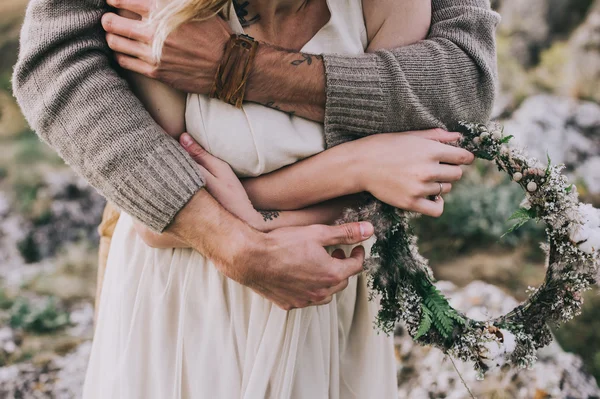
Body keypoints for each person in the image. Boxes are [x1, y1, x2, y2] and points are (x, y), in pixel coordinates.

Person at [13, 0, 499, 397]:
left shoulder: (391, 6)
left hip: (326, 295)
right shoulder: (165, 14)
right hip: (185, 309)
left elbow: (450, 102)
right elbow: (156, 220)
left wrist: (238, 67)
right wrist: (359, 166)